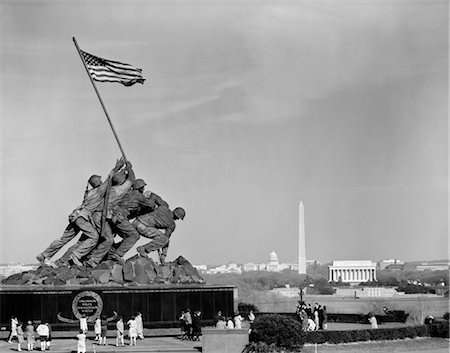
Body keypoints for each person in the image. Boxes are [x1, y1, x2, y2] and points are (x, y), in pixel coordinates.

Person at [36, 158, 125, 266]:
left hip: (75, 215)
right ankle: (76, 255)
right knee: (94, 237)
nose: (102, 182)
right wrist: (118, 167)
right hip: (82, 218)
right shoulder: (99, 192)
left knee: (64, 239)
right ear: (98, 183)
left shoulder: (89, 193)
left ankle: (44, 255)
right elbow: (109, 179)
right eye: (100, 181)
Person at [86, 161, 135, 267]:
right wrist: (129, 169)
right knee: (109, 239)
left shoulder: (102, 189)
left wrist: (119, 169)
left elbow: (110, 177)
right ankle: (94, 260)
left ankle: (93, 259)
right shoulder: (118, 190)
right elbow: (131, 179)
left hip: (96, 216)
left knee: (103, 238)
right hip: (102, 217)